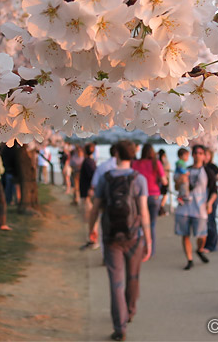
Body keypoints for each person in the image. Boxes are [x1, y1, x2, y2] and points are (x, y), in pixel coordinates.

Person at [88, 140, 152, 342]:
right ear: (133, 155)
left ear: (115, 154)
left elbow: (95, 207)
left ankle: (120, 326)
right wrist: (148, 240)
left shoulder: (106, 179)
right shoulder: (139, 179)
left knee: (115, 282)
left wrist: (92, 229)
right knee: (133, 277)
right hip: (134, 236)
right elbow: (143, 212)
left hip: (111, 237)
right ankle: (130, 311)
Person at [174, 145, 216, 270]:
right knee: (185, 234)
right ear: (192, 155)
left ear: (204, 156)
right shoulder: (184, 169)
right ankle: (189, 259)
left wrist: (210, 203)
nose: (198, 155)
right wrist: (179, 182)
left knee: (202, 235)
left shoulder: (208, 172)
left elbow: (214, 191)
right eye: (195, 153)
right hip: (185, 207)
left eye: (200, 153)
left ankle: (199, 249)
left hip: (200, 207)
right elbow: (176, 188)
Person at [131, 143, 167, 255]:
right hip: (154, 196)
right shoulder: (156, 163)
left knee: (140, 223)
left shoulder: (136, 163)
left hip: (139, 196)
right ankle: (150, 250)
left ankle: (139, 248)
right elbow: (164, 181)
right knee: (151, 224)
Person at [204, 147, 218, 252]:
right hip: (204, 196)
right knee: (206, 221)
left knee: (211, 220)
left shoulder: (213, 167)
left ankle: (212, 244)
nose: (205, 157)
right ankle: (206, 243)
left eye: (207, 154)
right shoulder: (201, 167)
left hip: (212, 195)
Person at [80, 143, 98, 247]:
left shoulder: (88, 162)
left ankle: (93, 240)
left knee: (90, 218)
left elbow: (93, 176)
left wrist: (91, 189)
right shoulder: (90, 162)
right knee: (90, 218)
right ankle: (92, 239)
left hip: (87, 194)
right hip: (87, 193)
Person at [158, 149, 171, 214]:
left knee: (158, 194)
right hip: (165, 179)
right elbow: (169, 167)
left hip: (158, 180)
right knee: (165, 194)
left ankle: (159, 207)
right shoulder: (165, 160)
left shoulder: (157, 160)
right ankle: (161, 206)